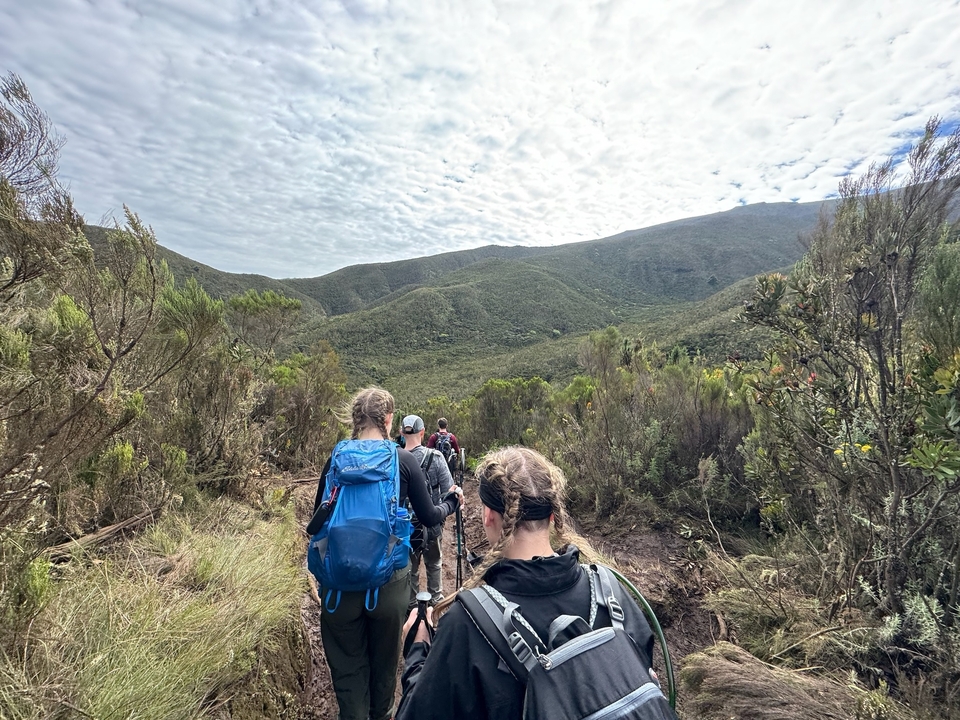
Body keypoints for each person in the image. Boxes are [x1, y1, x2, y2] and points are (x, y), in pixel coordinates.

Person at [395, 446, 662, 720]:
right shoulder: (613, 593)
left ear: (489, 516)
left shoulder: (466, 624)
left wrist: (417, 651)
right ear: (552, 515)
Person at [312, 387, 462, 720]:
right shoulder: (402, 460)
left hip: (338, 589)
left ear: (354, 418)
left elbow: (318, 520)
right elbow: (429, 517)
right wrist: (453, 500)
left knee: (349, 676)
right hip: (387, 587)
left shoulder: (335, 458)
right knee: (383, 673)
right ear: (389, 420)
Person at [401, 414, 455, 606]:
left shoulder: (396, 460)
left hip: (406, 528)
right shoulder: (436, 457)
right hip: (432, 523)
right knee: (434, 564)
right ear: (422, 433)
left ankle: (413, 612)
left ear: (401, 433)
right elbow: (450, 489)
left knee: (411, 570)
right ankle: (436, 608)